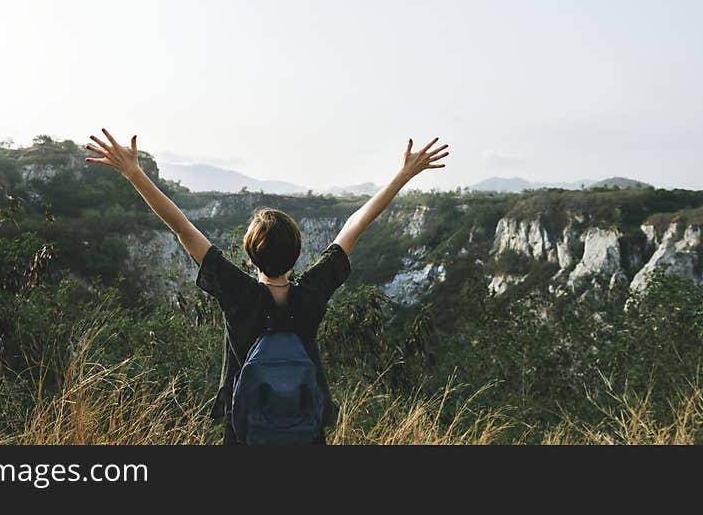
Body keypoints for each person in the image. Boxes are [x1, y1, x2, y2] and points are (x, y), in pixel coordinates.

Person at [85, 129, 449, 444]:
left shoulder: (238, 294)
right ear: (298, 252)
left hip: (246, 434)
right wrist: (402, 176)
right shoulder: (311, 294)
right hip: (305, 432)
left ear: (249, 254)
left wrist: (133, 173)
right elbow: (355, 225)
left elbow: (181, 227)